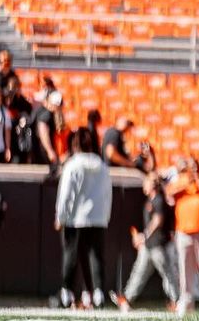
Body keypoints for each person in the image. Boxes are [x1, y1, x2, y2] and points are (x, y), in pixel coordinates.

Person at [55, 126, 112, 309]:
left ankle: (66, 294)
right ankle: (98, 294)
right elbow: (108, 194)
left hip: (76, 219)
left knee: (71, 256)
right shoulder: (102, 167)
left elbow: (66, 194)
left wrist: (61, 216)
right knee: (96, 257)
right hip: (98, 218)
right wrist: (105, 215)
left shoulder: (72, 165)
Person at [111, 171, 179, 311]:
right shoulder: (151, 200)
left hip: (158, 244)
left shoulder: (158, 200)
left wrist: (144, 236)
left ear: (152, 185)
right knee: (139, 272)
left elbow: (158, 220)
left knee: (168, 274)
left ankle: (177, 301)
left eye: (146, 183)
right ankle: (127, 299)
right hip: (149, 245)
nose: (144, 186)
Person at [170, 157, 199, 315]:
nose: (192, 170)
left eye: (194, 167)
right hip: (184, 231)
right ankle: (186, 300)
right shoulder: (179, 183)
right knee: (185, 268)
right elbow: (169, 194)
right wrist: (185, 181)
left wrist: (195, 181)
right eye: (189, 168)